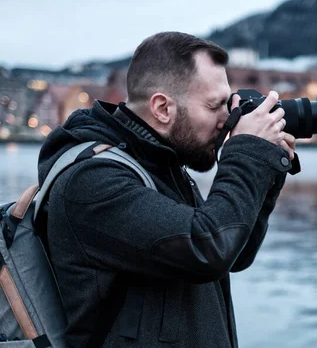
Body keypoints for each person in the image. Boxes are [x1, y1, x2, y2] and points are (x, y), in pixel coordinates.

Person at [37, 31, 296, 348]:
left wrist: (266, 167)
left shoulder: (162, 164)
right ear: (162, 108)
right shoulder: (93, 180)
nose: (228, 119)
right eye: (215, 105)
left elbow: (233, 252)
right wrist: (246, 152)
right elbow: (209, 249)